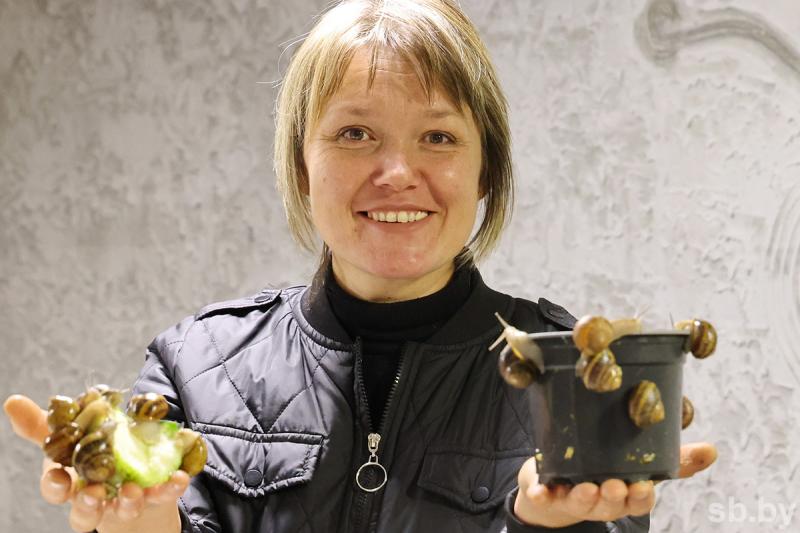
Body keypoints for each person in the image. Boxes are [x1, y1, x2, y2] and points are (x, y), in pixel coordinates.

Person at [4, 0, 718, 531]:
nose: (397, 172)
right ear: (302, 165)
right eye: (354, 133)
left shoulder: (573, 376)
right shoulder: (193, 365)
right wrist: (140, 522)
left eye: (438, 137)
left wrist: (544, 526)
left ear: (486, 172)